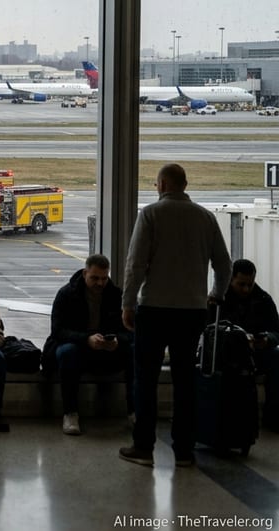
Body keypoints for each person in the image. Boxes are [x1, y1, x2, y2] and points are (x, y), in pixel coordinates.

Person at [119, 163, 230, 468]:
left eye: (156, 184)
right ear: (184, 184)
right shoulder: (206, 218)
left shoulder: (152, 214)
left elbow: (135, 264)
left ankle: (144, 447)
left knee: (146, 380)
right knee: (185, 382)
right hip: (192, 311)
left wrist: (128, 303)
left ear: (164, 184)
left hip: (154, 308)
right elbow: (224, 263)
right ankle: (184, 451)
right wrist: (216, 295)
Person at [42, 254, 134, 436]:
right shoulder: (67, 294)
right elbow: (58, 331)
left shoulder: (116, 295)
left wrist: (116, 341)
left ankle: (133, 411)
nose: (100, 283)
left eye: (104, 278)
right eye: (95, 278)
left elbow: (131, 331)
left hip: (106, 350)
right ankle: (70, 412)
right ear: (85, 274)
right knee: (67, 352)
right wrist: (86, 339)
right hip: (79, 347)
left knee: (134, 351)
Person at [217, 259, 279, 432]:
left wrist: (268, 340)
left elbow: (276, 331)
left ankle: (273, 416)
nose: (246, 289)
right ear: (231, 280)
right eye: (241, 284)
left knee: (276, 358)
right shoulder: (220, 299)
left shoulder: (264, 300)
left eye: (249, 285)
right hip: (229, 354)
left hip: (257, 353)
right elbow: (210, 330)